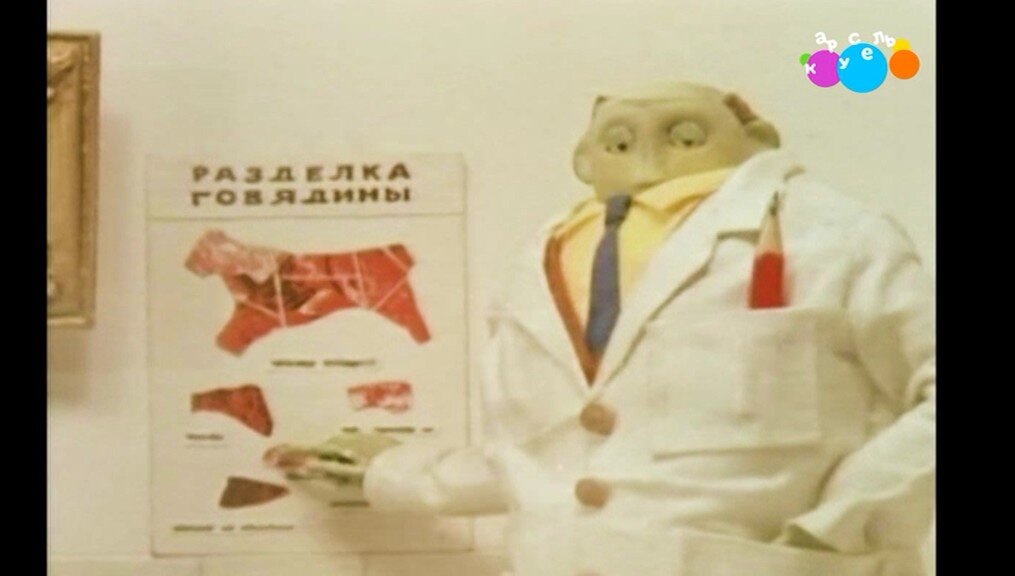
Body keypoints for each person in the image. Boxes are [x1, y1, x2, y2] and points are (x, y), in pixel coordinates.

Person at [270, 82, 935, 576]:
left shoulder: (834, 235)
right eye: (618, 139)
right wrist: (387, 472)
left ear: (755, 137)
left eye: (685, 133)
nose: (648, 150)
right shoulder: (544, 256)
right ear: (585, 159)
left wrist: (844, 523)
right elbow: (544, 457)